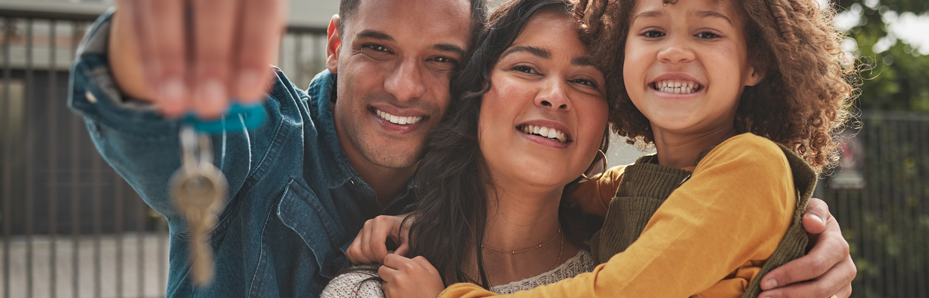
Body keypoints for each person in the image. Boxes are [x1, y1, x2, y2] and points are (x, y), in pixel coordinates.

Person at [67, 0, 852, 297]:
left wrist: (797, 230)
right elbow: (175, 134)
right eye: (378, 49)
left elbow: (696, 207)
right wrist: (150, 48)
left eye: (441, 60)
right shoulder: (286, 152)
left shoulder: (631, 234)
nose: (408, 87)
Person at [417, 0, 856, 296]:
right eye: (652, 31)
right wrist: (415, 219)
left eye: (707, 34)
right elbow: (559, 195)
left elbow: (621, 291)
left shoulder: (753, 165)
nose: (675, 52)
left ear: (756, 62)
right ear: (620, 55)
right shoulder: (645, 180)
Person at [322, 2, 609, 296]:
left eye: (584, 81)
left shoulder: (630, 258)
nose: (555, 96)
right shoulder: (371, 289)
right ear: (472, 94)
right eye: (526, 68)